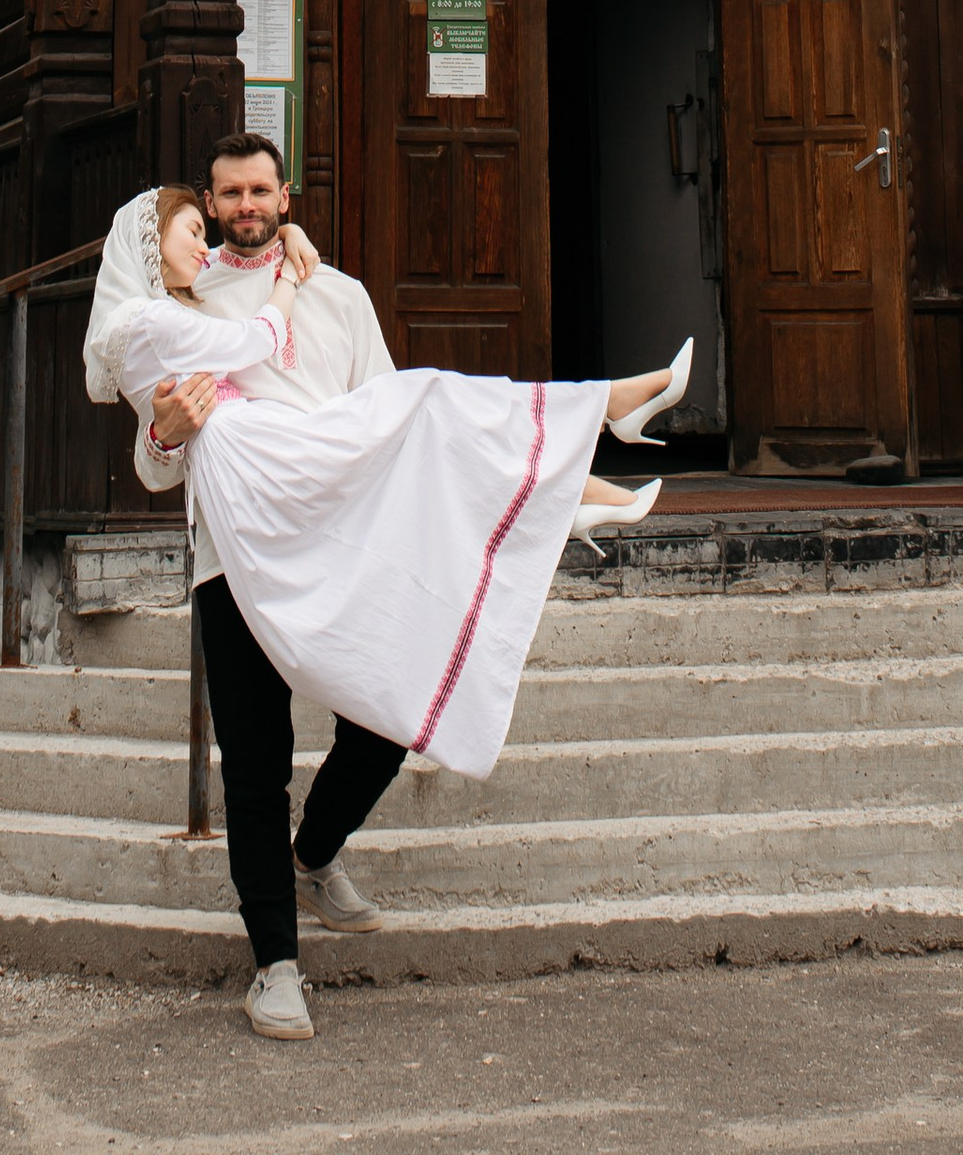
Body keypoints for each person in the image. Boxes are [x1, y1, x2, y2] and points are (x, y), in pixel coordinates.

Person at [97, 152, 687, 1045]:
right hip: (236, 561)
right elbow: (152, 464)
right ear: (211, 207)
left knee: (387, 714)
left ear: (285, 198)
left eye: (264, 192)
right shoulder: (181, 294)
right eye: (230, 194)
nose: (247, 206)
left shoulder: (339, 295)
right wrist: (164, 438)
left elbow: (383, 422)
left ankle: (315, 854)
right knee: (254, 765)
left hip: (348, 545)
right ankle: (276, 967)